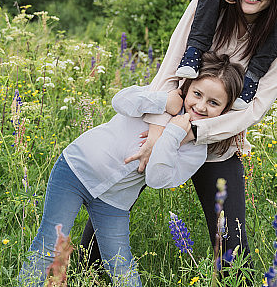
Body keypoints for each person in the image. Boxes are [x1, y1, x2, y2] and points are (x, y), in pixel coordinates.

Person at [80, 0, 277, 277]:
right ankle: (77, 276)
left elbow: (254, 108)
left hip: (217, 142)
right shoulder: (207, 5)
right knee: (104, 217)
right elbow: (169, 71)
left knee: (232, 246)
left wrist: (195, 131)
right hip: (163, 125)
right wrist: (159, 133)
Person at [19, 53, 245, 287]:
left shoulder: (196, 150)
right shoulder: (162, 95)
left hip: (115, 201)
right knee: (50, 244)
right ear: (188, 87)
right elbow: (120, 100)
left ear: (225, 111)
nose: (200, 105)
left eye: (213, 103)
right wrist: (162, 102)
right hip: (76, 170)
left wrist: (173, 134)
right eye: (197, 94)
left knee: (120, 266)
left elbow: (157, 179)